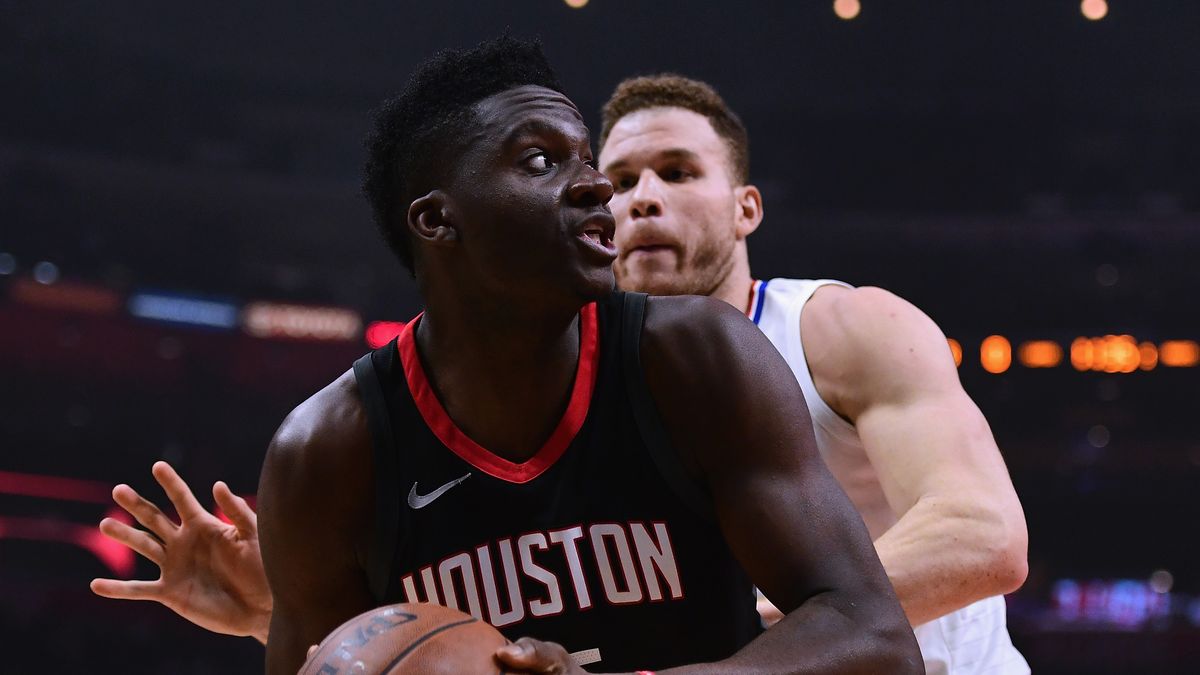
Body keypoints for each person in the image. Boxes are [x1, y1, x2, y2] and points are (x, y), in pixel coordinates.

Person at [93, 38, 921, 675]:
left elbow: (874, 637)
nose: (599, 187)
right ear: (437, 220)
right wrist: (278, 621)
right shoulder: (328, 452)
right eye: (540, 161)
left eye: (585, 158)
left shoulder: (697, 356)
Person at [596, 75, 1030, 674]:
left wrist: (745, 628)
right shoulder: (586, 385)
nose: (643, 197)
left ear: (745, 209)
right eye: (619, 183)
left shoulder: (844, 327)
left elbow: (984, 537)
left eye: (677, 172)